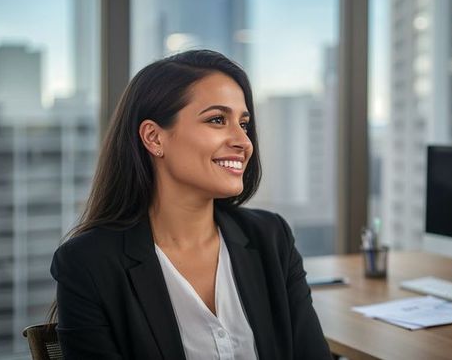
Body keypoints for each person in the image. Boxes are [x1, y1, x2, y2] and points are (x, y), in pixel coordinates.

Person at [49, 50, 332, 360]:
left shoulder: (271, 236)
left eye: (244, 124)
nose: (243, 141)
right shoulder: (88, 263)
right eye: (217, 120)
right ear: (154, 138)